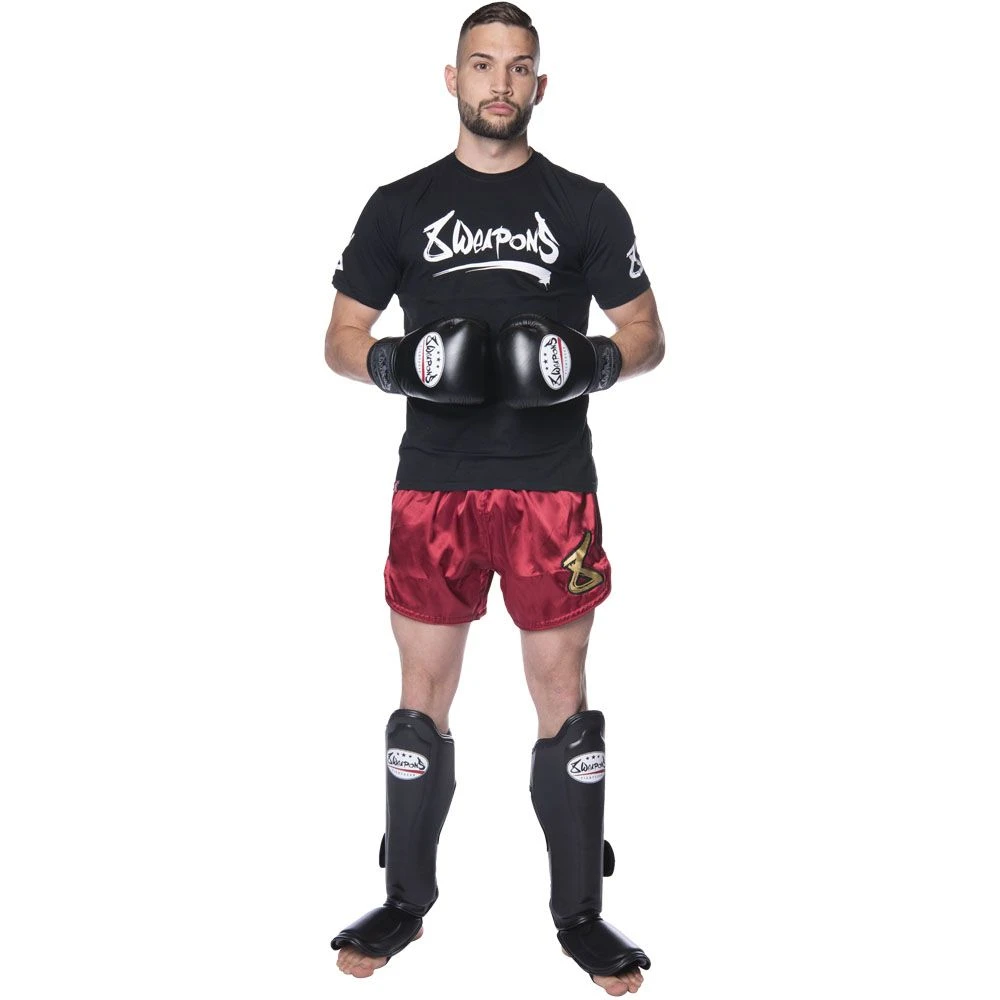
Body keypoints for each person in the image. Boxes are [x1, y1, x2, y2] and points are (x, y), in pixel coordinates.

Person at [324, 4, 663, 995]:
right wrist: (396, 362)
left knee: (565, 700)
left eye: (518, 68)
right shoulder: (398, 206)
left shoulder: (585, 205)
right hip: (433, 481)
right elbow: (339, 337)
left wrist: (590, 361)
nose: (500, 83)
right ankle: (405, 898)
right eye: (482, 65)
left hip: (552, 487)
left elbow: (646, 332)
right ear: (452, 79)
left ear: (539, 85)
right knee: (419, 701)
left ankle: (579, 911)